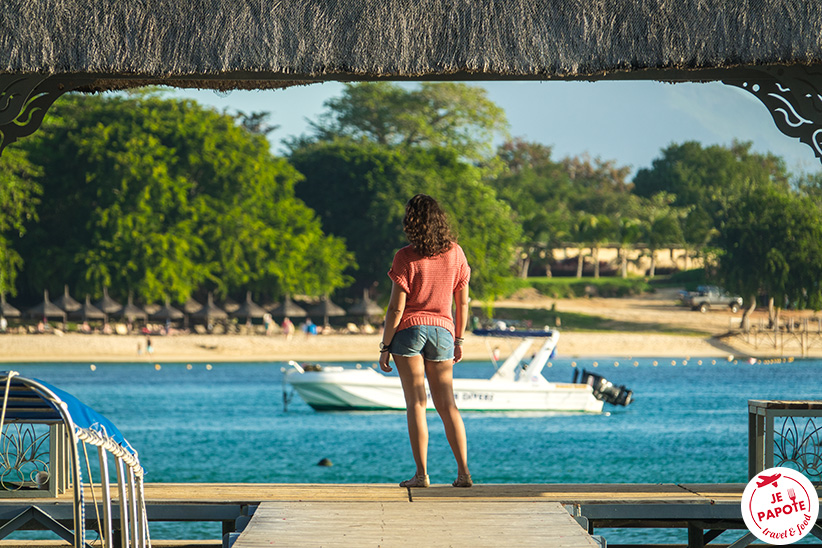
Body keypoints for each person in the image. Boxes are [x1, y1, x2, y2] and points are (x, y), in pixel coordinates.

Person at [379, 194, 472, 488]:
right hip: (444, 331)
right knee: (448, 406)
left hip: (408, 331)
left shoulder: (405, 256)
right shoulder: (456, 253)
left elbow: (396, 308)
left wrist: (384, 346)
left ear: (411, 222)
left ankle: (421, 475)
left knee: (417, 404)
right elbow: (463, 303)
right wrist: (458, 338)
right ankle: (464, 474)